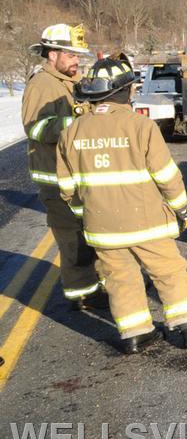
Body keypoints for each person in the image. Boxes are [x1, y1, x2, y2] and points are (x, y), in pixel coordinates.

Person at [56, 57, 187, 354]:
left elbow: (67, 189)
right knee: (169, 271)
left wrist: (86, 216)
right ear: (123, 91)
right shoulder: (140, 126)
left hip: (102, 227)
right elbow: (167, 175)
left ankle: (135, 334)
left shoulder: (71, 132)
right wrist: (179, 208)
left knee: (119, 278)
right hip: (148, 224)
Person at [21, 24, 106, 310]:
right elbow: (36, 128)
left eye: (77, 56)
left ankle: (102, 282)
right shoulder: (42, 84)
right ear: (52, 53)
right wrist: (78, 122)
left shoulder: (70, 80)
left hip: (77, 177)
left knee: (91, 233)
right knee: (73, 241)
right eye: (70, 55)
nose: (75, 61)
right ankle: (82, 295)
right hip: (55, 181)